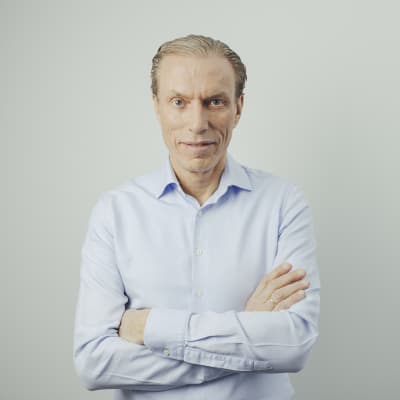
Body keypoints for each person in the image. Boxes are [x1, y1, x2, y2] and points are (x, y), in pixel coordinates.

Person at [73, 34, 320, 400]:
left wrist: (152, 327)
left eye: (214, 101)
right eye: (179, 102)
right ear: (157, 106)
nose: (197, 123)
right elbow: (95, 364)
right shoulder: (115, 212)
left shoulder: (283, 204)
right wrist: (249, 332)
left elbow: (294, 344)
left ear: (238, 107)